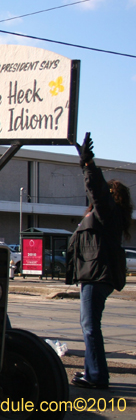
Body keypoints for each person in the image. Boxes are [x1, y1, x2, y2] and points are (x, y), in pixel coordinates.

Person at [66, 133, 132, 390]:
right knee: (89, 325)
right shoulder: (106, 216)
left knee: (90, 325)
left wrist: (88, 165)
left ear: (112, 196)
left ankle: (96, 376)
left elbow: (98, 192)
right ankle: (92, 372)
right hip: (95, 274)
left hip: (97, 275)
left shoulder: (107, 212)